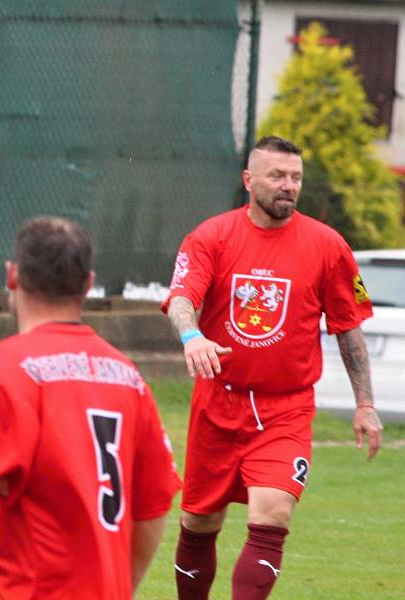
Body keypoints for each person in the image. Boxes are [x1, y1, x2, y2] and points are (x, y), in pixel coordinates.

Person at [0, 216, 182, 599]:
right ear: (87, 283)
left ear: (12, 276)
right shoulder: (127, 377)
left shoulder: (6, 368)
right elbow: (153, 506)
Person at [162, 135, 384, 600]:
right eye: (277, 176)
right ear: (248, 180)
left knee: (272, 513)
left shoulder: (328, 246)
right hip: (217, 404)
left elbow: (348, 327)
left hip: (286, 409)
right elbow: (182, 298)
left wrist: (365, 403)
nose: (289, 186)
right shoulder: (211, 236)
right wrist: (192, 334)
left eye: (296, 178)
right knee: (199, 522)